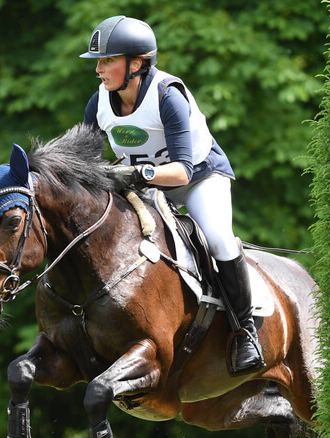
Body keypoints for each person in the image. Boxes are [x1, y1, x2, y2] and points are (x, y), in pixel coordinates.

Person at [79, 15, 265, 374]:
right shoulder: (99, 102)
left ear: (136, 64)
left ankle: (246, 333)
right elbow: (83, 161)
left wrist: (138, 172)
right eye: (99, 62)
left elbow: (182, 170)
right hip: (144, 187)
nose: (99, 70)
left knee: (219, 241)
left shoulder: (168, 95)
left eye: (107, 61)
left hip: (197, 179)